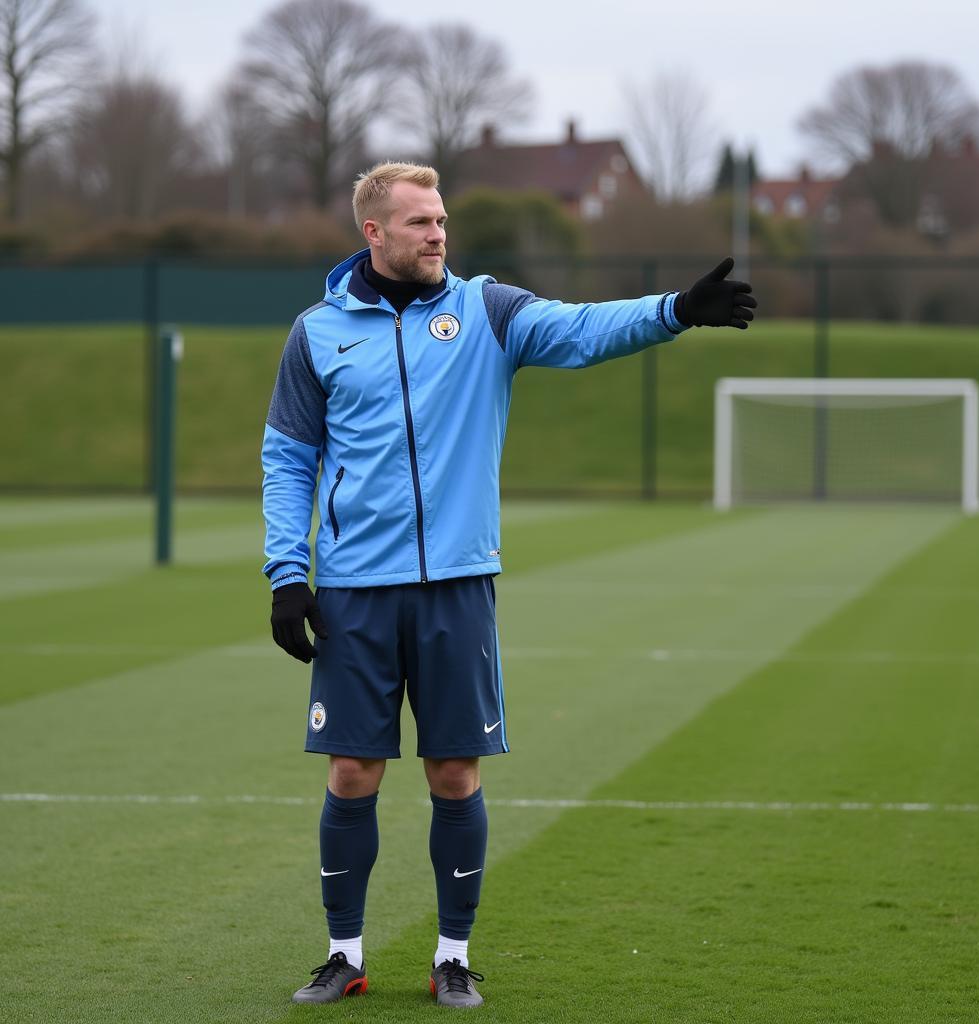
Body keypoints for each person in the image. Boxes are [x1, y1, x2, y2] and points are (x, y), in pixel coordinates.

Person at [261, 162, 756, 1008]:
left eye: (442, 219)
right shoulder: (316, 332)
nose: (438, 234)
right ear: (372, 233)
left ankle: (453, 956)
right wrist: (287, 573)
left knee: (455, 773)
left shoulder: (486, 310)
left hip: (457, 586)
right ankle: (344, 955)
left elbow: (583, 329)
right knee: (352, 773)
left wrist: (672, 312)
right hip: (353, 590)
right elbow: (288, 458)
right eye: (419, 222)